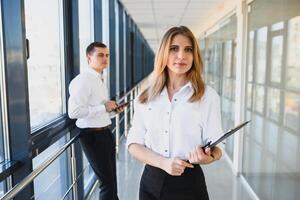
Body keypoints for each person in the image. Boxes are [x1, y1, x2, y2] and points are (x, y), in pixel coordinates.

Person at [126, 26, 223, 200]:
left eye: (188, 50)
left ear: (195, 56)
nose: (181, 56)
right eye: (174, 49)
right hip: (150, 181)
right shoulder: (146, 97)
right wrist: (163, 163)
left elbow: (217, 147)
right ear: (163, 53)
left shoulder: (208, 97)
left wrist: (207, 158)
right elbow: (133, 143)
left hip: (189, 183)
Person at [68, 42, 123, 200]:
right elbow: (74, 112)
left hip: (104, 132)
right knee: (107, 183)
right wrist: (103, 108)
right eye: (100, 55)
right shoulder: (84, 80)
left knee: (112, 181)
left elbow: (99, 110)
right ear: (88, 57)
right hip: (92, 136)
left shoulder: (99, 79)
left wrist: (112, 111)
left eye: (107, 55)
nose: (105, 58)